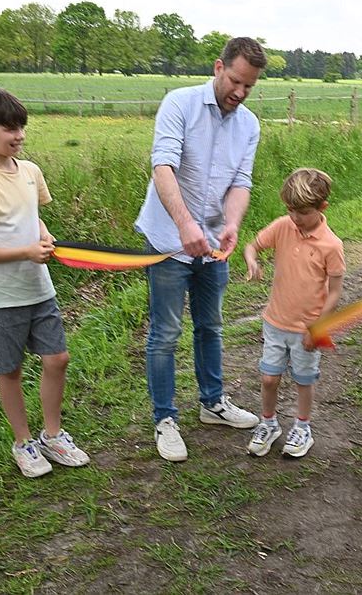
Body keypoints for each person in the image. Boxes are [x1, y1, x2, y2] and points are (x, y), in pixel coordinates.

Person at [135, 37, 268, 462]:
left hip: (212, 245)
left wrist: (230, 224)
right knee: (166, 332)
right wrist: (185, 225)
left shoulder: (249, 125)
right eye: (235, 81)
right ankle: (165, 419)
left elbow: (240, 183)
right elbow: (163, 167)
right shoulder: (179, 104)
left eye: (249, 86)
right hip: (168, 242)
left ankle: (213, 404)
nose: (240, 92)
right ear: (218, 67)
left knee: (210, 326)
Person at [0, 89, 89, 478]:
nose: (19, 136)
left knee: (57, 359)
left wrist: (44, 239)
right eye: (10, 128)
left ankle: (53, 435)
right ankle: (23, 442)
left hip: (38, 287)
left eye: (22, 127)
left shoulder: (30, 172)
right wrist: (25, 252)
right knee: (9, 371)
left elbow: (33, 220)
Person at [243, 168, 345, 458]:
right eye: (290, 210)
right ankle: (268, 423)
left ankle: (302, 427)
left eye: (301, 212)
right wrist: (252, 261)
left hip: (306, 330)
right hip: (275, 322)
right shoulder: (282, 226)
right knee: (268, 379)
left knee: (303, 380)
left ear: (322, 207)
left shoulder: (332, 245)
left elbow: (335, 291)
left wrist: (319, 327)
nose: (295, 218)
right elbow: (253, 246)